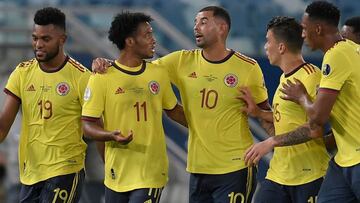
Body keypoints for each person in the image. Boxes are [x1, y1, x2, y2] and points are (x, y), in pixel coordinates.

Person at [93, 6, 270, 203]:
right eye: (195, 22)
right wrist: (107, 63)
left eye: (203, 22)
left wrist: (277, 143)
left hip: (236, 166)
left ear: (222, 28)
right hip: (198, 167)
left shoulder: (248, 67)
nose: (196, 27)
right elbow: (136, 67)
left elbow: (265, 114)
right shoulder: (181, 61)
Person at [244, 1, 360, 202]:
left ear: (318, 28)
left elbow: (316, 121)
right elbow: (291, 120)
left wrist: (302, 98)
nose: (303, 34)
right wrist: (259, 113)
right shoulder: (347, 50)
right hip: (341, 159)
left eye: (305, 29)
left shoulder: (328, 62)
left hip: (330, 166)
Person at [81, 11, 187, 203]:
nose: (154, 40)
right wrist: (110, 135)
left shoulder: (158, 73)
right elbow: (87, 126)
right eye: (147, 35)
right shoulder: (101, 77)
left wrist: (208, 125)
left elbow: (175, 111)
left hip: (151, 170)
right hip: (117, 172)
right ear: (130, 41)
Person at [0, 7, 90, 202]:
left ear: (62, 40)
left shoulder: (82, 77)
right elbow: (3, 126)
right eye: (35, 38)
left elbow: (97, 123)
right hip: (31, 172)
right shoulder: (22, 73)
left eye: (45, 39)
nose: (38, 44)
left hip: (65, 169)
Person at [239, 16, 330, 203]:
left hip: (309, 177)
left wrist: (271, 142)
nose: (265, 46)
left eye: (268, 41)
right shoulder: (284, 79)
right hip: (278, 175)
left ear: (281, 47)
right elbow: (286, 121)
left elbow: (316, 129)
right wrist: (258, 113)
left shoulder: (312, 77)